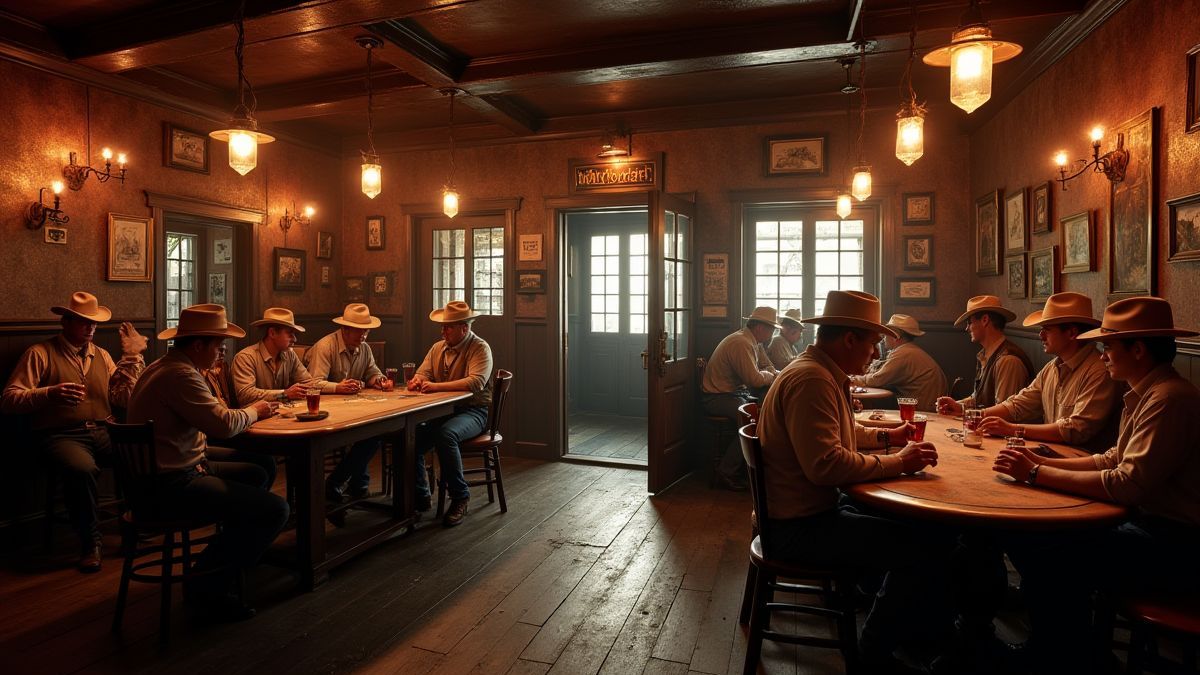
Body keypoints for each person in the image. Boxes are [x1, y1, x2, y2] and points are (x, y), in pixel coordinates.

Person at [994, 296, 1200, 673]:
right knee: (1040, 539)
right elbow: (1112, 458)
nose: (1102, 355)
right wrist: (1040, 462)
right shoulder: (1147, 391)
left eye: (1108, 346)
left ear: (1138, 350)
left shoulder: (1169, 399)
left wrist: (1036, 474)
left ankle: (1064, 654)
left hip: (1178, 545)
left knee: (1048, 550)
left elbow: (1125, 484)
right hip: (1149, 526)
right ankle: (1073, 648)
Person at [758, 290, 950, 672]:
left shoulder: (819, 372)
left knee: (913, 524)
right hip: (796, 528)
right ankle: (873, 652)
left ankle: (897, 616)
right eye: (873, 343)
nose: (876, 353)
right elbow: (826, 466)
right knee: (922, 547)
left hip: (802, 511)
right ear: (849, 339)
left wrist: (889, 436)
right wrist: (898, 462)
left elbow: (840, 435)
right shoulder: (812, 380)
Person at [126, 304, 288, 621]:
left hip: (166, 472)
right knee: (276, 509)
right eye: (218, 344)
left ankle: (233, 553)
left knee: (259, 468)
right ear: (198, 345)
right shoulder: (180, 375)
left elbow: (213, 420)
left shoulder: (166, 366)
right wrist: (256, 410)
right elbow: (223, 425)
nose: (222, 351)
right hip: (169, 487)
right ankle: (206, 587)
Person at [1, 292, 147, 572]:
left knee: (141, 455)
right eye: (83, 321)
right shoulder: (40, 353)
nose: (91, 327)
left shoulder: (102, 355)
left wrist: (132, 357)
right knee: (82, 469)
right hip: (60, 434)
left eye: (93, 322)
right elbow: (9, 399)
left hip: (103, 430)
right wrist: (48, 394)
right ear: (66, 322)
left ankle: (137, 528)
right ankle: (91, 543)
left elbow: (123, 399)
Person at [977, 292, 1121, 451]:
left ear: (1071, 333)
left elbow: (1075, 429)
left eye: (1047, 329)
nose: (1041, 335)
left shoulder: (1099, 371)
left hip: (1080, 461)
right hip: (1049, 454)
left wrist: (1012, 429)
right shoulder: (1052, 367)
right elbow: (1018, 404)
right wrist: (975, 415)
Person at [409, 301, 494, 527]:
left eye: (448, 327)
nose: (443, 331)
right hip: (443, 412)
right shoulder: (438, 347)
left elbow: (476, 382)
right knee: (410, 440)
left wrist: (436, 387)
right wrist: (417, 380)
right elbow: (423, 373)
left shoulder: (480, 347)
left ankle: (460, 497)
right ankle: (420, 497)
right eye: (442, 326)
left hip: (473, 412)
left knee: (446, 435)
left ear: (463, 328)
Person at [304, 304, 386, 503]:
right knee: (368, 434)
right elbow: (312, 383)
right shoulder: (325, 346)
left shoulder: (364, 348)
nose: (364, 336)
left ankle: (353, 484)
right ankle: (344, 484)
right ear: (344, 329)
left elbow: (373, 372)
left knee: (374, 431)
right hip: (323, 411)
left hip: (351, 408)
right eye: (359, 331)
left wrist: (379, 380)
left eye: (366, 331)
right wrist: (338, 387)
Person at [701, 306, 780, 490]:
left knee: (760, 415)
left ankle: (748, 469)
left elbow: (767, 366)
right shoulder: (741, 343)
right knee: (751, 422)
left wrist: (771, 373)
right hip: (717, 398)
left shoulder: (754, 341)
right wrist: (771, 375)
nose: (772, 334)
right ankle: (726, 472)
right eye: (771, 329)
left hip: (733, 394)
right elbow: (754, 379)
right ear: (760, 327)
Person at [230, 307, 358, 404]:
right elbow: (245, 395)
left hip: (279, 418)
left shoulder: (289, 355)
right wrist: (284, 394)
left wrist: (337, 387)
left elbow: (310, 383)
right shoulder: (245, 358)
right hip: (254, 425)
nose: (295, 339)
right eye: (290, 333)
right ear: (272, 333)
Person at [936, 295, 1032, 416]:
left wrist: (964, 412)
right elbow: (978, 399)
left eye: (969, 322)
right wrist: (957, 406)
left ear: (985, 320)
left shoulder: (1008, 360)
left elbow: (1004, 414)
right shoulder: (986, 355)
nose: (966, 328)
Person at [850, 314, 947, 411]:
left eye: (886, 335)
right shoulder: (909, 350)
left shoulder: (903, 354)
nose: (884, 339)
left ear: (896, 336)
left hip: (921, 412)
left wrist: (852, 379)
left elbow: (876, 380)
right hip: (925, 407)